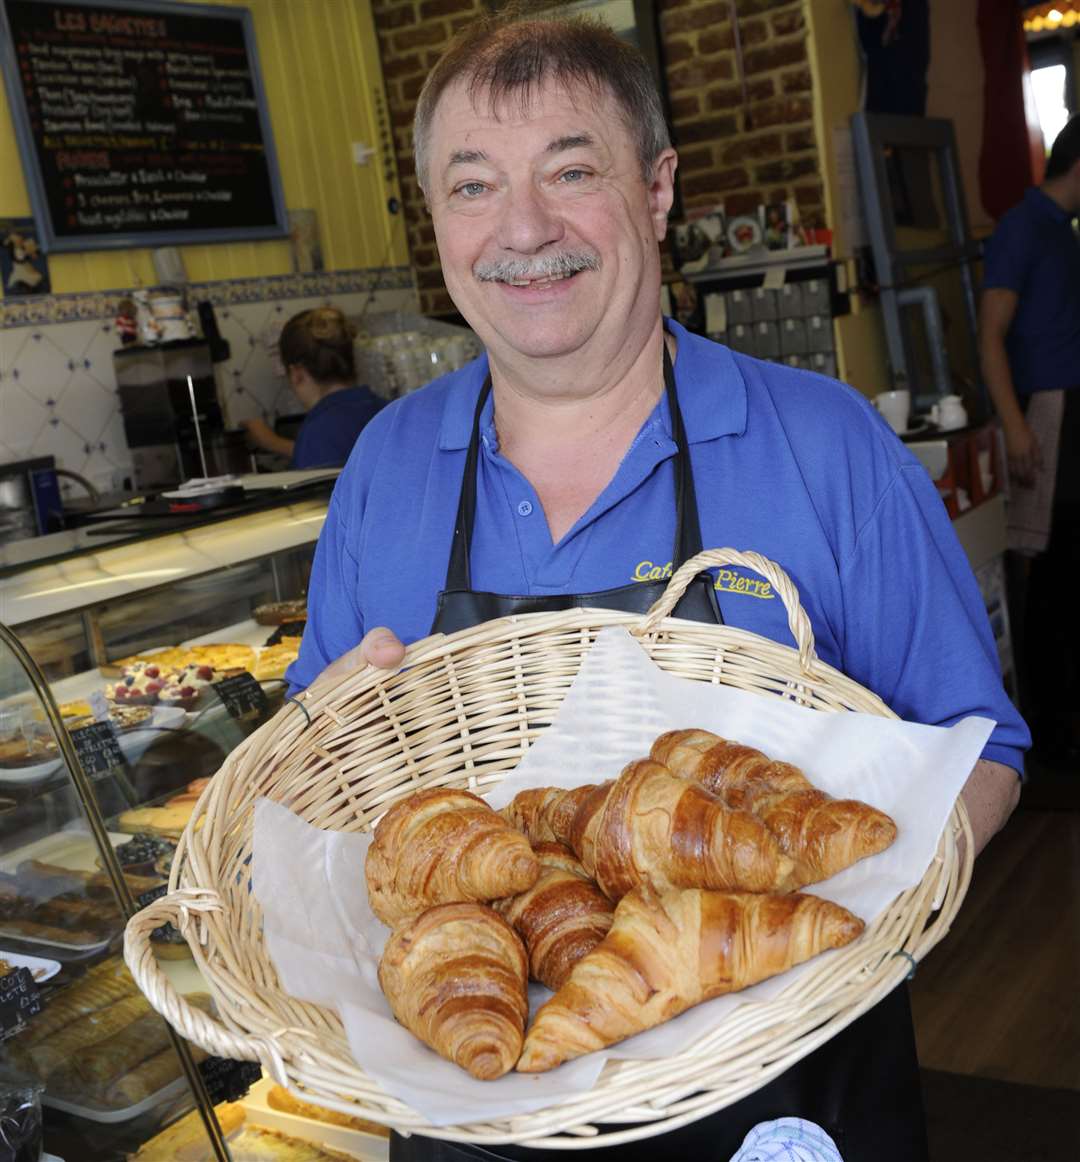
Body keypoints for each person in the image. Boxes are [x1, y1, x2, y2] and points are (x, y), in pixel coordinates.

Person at [286, 11, 1027, 1160]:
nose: (523, 229)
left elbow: (981, 749)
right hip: (477, 1088)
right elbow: (312, 791)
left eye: (571, 170)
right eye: (472, 185)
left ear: (658, 189)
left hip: (787, 1086)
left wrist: (830, 945)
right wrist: (316, 747)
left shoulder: (820, 441)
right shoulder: (386, 465)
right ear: (434, 219)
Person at [979, 114, 1080, 762]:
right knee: (1051, 565)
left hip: (1072, 405)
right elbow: (990, 334)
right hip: (1048, 411)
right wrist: (1016, 427)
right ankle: (1049, 733)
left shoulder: (1061, 233)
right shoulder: (1024, 227)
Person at [243, 306, 385, 469]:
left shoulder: (317, 432)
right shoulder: (388, 410)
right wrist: (274, 443)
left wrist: (272, 443)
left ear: (297, 373)